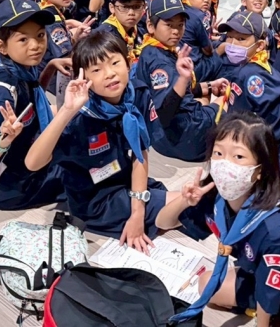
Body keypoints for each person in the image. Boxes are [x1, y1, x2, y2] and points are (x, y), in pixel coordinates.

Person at [158, 111, 280, 326]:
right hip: (255, 269)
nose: (225, 164)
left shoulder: (275, 230)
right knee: (205, 283)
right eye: (218, 153)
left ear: (260, 169)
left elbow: (269, 291)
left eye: (238, 157)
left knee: (231, 291)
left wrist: (263, 322)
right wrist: (184, 201)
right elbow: (163, 223)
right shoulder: (216, 197)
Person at [25, 30, 172, 244]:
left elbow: (140, 152)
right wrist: (67, 110)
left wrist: (137, 210)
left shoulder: (135, 94)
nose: (109, 74)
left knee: (185, 204)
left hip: (124, 179)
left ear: (128, 63)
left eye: (115, 63)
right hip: (95, 200)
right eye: (96, 69)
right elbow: (33, 162)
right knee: (186, 208)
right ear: (83, 78)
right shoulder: (79, 118)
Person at [0, 0, 66, 210]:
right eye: (23, 39)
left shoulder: (20, 67)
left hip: (29, 154)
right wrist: (5, 138)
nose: (36, 46)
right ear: (1, 46)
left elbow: (33, 96)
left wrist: (50, 66)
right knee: (84, 171)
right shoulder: (3, 93)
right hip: (14, 183)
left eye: (40, 35)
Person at [133, 0, 221, 162]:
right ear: (150, 26)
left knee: (206, 96)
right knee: (226, 104)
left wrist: (209, 86)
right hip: (185, 139)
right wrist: (183, 79)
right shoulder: (160, 63)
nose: (176, 31)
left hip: (160, 138)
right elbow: (165, 112)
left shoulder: (150, 49)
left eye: (180, 25)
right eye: (169, 25)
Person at [214, 11, 280, 140]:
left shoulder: (245, 75)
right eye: (229, 37)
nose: (232, 43)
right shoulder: (263, 65)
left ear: (260, 45)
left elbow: (237, 121)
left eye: (241, 39)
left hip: (260, 141)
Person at [91, 0, 148, 65]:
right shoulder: (102, 37)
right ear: (112, 7)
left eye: (137, 6)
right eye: (124, 7)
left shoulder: (141, 31)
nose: (131, 12)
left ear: (144, 8)